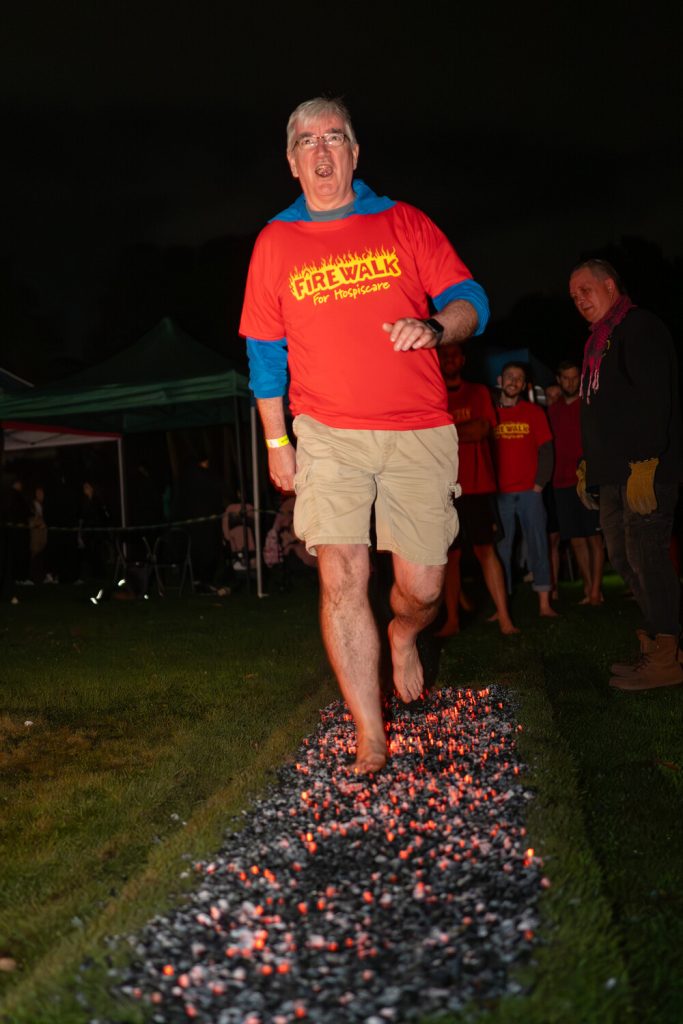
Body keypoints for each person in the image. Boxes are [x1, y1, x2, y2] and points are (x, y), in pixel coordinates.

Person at [239, 96, 489, 773]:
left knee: (425, 589)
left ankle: (403, 633)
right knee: (341, 575)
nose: (321, 151)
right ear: (291, 162)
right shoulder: (275, 243)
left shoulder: (402, 222)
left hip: (416, 429)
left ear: (355, 152)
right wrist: (276, 442)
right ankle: (369, 733)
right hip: (325, 432)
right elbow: (264, 355)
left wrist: (439, 328)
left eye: (334, 137)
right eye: (306, 141)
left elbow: (471, 300)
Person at [570, 258, 683, 690]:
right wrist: (588, 464)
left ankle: (665, 656)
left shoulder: (640, 328)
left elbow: (655, 400)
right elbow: (601, 411)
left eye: (585, 289)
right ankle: (660, 640)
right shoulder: (600, 341)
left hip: (644, 469)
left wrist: (647, 461)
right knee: (623, 557)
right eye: (573, 296)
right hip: (613, 472)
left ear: (611, 286)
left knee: (648, 557)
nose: (579, 300)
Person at [435, 344, 518, 636]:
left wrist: (445, 430)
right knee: (451, 555)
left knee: (486, 550)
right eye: (444, 355)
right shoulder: (434, 395)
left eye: (454, 354)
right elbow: (430, 438)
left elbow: (482, 429)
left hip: (479, 483)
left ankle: (505, 619)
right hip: (445, 487)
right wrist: (460, 430)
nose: (449, 359)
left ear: (463, 359)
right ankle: (452, 621)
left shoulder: (478, 392)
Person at [493, 362, 558, 618]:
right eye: (509, 376)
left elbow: (546, 450)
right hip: (501, 495)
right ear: (501, 380)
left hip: (531, 493)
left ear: (523, 384)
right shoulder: (490, 414)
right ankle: (502, 607)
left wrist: (539, 484)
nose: (513, 382)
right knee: (502, 551)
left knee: (539, 545)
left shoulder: (534, 412)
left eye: (518, 378)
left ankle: (544, 603)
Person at [547, 359, 605, 605]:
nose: (570, 382)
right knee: (576, 538)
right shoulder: (552, 408)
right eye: (566, 378)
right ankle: (589, 588)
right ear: (559, 380)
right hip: (560, 481)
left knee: (594, 536)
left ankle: (596, 591)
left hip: (587, 480)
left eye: (574, 377)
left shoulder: (589, 404)